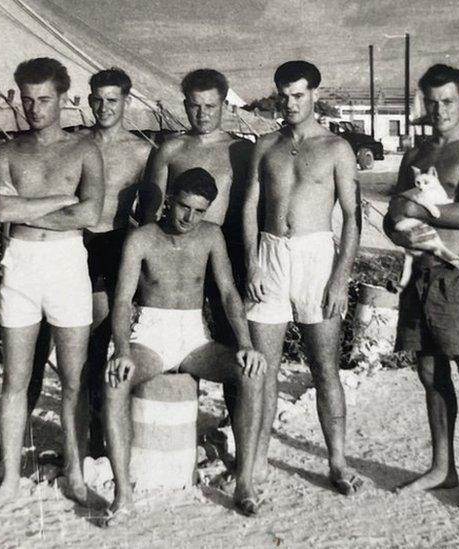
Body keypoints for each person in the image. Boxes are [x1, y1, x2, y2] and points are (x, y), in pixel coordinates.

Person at [103, 168, 267, 525]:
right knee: (114, 381)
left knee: (251, 374)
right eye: (183, 207)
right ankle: (123, 495)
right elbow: (121, 301)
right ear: (169, 200)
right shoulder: (142, 238)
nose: (189, 218)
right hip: (150, 335)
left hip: (194, 337)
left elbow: (227, 294)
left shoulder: (210, 237)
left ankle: (245, 483)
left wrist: (245, 344)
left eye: (199, 211)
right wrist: (122, 350)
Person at [0, 57, 104, 508]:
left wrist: (26, 205)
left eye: (45, 100)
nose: (35, 109)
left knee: (74, 380)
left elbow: (90, 215)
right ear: (17, 98)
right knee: (15, 380)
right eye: (28, 100)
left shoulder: (84, 149)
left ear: (65, 99)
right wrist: (62, 198)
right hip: (22, 265)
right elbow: (0, 212)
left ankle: (75, 476)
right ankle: (10, 480)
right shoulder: (6, 153)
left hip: (69, 264)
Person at [384, 63, 459, 509]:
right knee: (430, 373)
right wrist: (400, 228)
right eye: (431, 102)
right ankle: (443, 467)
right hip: (422, 273)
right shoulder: (415, 155)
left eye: (447, 101)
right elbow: (391, 217)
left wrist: (417, 207)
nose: (439, 110)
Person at [243, 60, 361, 494]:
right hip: (271, 255)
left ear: (315, 94)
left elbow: (352, 216)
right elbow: (249, 208)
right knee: (263, 369)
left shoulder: (336, 148)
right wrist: (254, 262)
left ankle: (338, 461)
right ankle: (255, 461)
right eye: (283, 95)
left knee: (324, 367)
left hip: (317, 257)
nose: (290, 103)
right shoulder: (265, 145)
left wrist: (339, 278)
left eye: (298, 95)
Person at [140, 68, 253, 418]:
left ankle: (235, 436)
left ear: (225, 104)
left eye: (210, 106)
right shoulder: (171, 149)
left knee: (232, 347)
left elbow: (252, 210)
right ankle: (174, 435)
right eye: (194, 106)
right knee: (178, 349)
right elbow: (149, 214)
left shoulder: (241, 151)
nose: (202, 114)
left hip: (224, 254)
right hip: (176, 258)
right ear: (185, 106)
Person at [76, 68, 154, 455]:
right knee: (83, 340)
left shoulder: (141, 151)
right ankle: (90, 429)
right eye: (97, 99)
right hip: (76, 242)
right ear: (88, 99)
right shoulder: (75, 143)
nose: (104, 107)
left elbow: (152, 211)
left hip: (116, 241)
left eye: (112, 100)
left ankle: (106, 427)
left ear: (126, 101)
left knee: (105, 335)